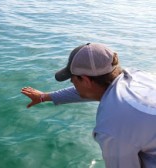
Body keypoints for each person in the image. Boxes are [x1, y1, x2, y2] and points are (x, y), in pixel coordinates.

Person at [21, 43, 156, 168]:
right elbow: (91, 90)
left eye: (72, 81)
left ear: (85, 80)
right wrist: (44, 97)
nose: (73, 84)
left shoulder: (113, 124)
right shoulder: (137, 76)